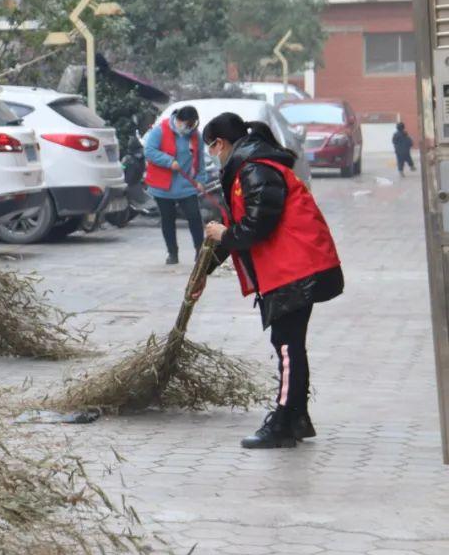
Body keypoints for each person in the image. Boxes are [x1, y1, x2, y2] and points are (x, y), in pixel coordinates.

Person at [200, 112, 344, 450]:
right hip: (291, 267)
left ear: (220, 143)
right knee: (288, 344)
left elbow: (256, 226)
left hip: (296, 268)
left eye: (211, 148)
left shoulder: (255, 169)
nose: (212, 155)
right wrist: (203, 272)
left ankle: (283, 422)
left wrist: (225, 234)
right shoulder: (249, 168)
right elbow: (241, 224)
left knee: (287, 346)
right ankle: (295, 418)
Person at [144, 105, 208, 264]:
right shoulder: (160, 130)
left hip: (187, 186)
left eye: (191, 124)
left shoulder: (195, 136)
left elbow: (200, 161)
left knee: (194, 217)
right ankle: (172, 253)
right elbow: (149, 151)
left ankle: (200, 251)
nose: (188, 127)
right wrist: (168, 161)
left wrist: (201, 180)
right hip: (163, 186)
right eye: (186, 123)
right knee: (168, 219)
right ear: (179, 120)